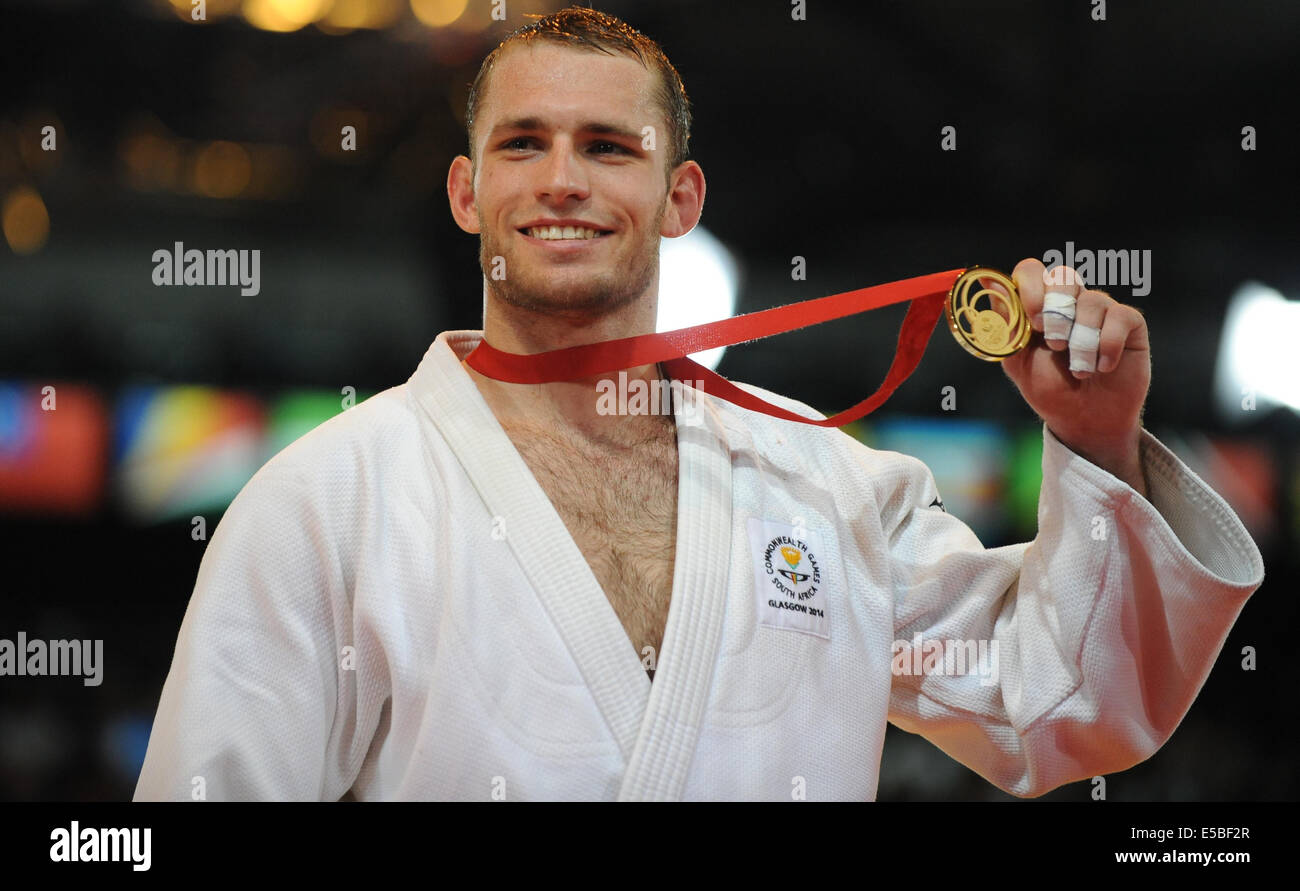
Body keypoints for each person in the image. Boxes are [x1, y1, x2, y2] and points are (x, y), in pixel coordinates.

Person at [134, 7, 1263, 801]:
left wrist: (1096, 438)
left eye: (607, 148)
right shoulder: (326, 502)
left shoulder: (823, 485)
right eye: (523, 144)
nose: (563, 180)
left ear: (680, 198)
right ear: (467, 193)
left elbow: (1058, 708)